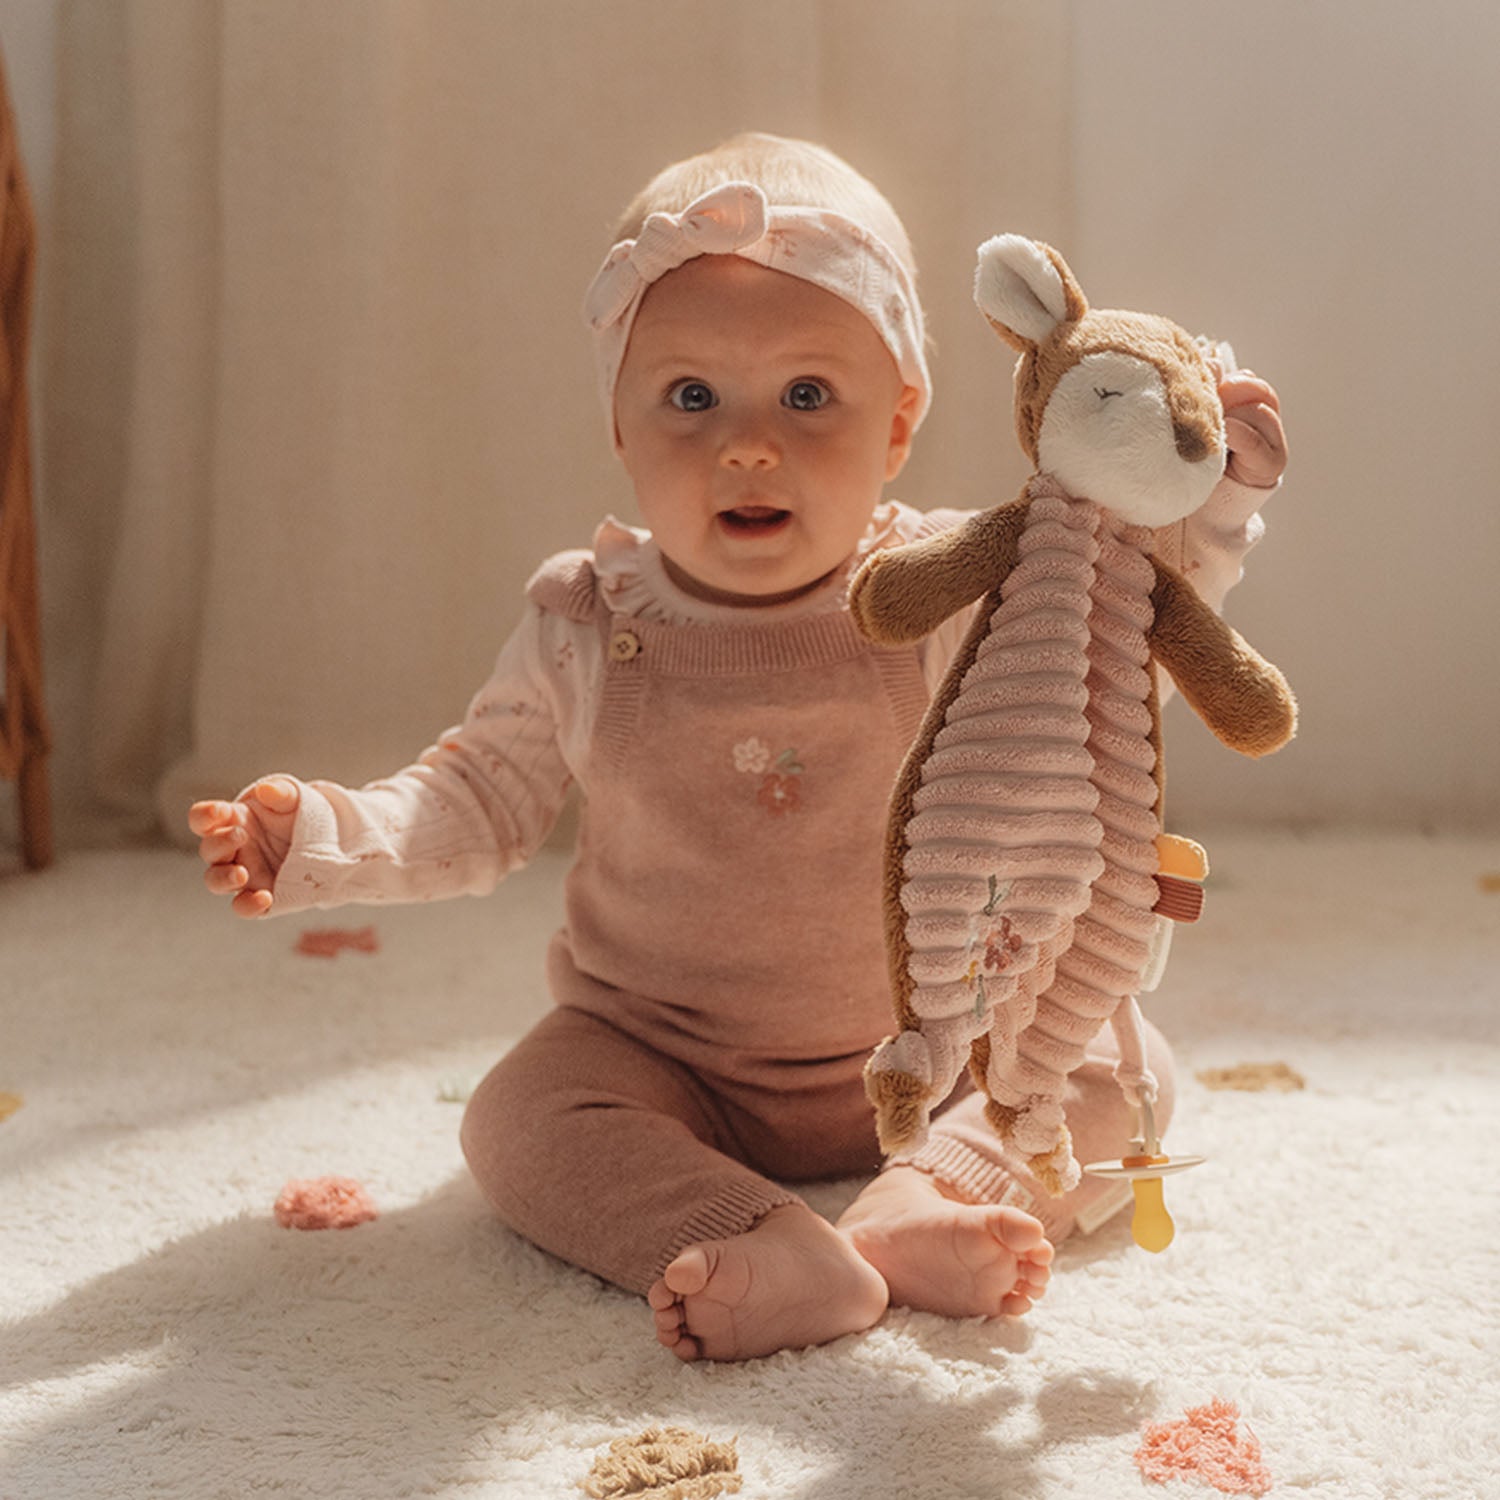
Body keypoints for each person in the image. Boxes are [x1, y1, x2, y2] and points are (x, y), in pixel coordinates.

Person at [189, 133, 1287, 1363]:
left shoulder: (949, 588)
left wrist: (1220, 503)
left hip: (938, 1040)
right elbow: (478, 793)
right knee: (517, 1117)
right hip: (665, 1054)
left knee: (1114, 1067)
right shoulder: (589, 620)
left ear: (899, 424)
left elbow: (1108, 668)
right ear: (619, 424)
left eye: (807, 397)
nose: (748, 443)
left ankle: (927, 1194)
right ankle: (753, 1235)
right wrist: (332, 836)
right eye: (691, 398)